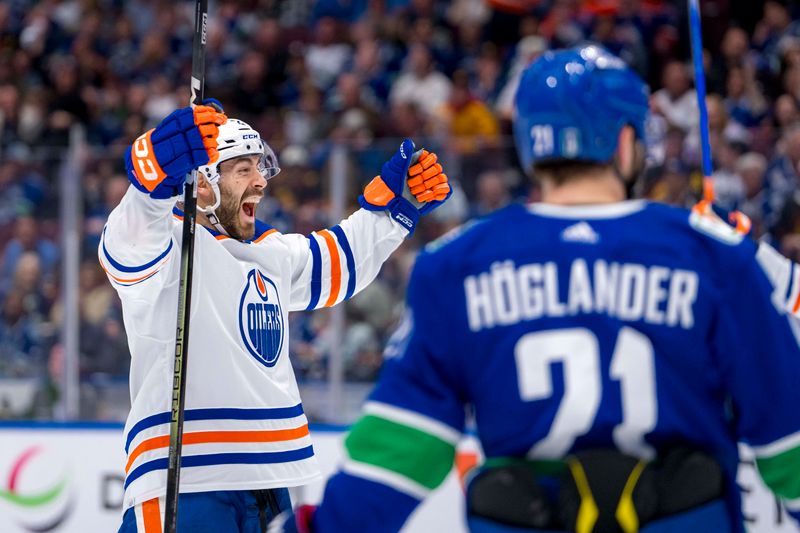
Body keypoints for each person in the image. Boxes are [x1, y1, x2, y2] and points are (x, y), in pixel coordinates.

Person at [270, 46, 800, 533]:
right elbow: (788, 447)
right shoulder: (713, 255)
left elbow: (397, 457)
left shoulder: (457, 264)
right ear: (625, 140)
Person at [102, 101, 451, 532]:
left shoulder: (270, 251)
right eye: (242, 169)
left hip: (269, 483)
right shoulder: (169, 245)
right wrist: (152, 171)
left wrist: (391, 210)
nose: (260, 181)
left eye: (260, 166)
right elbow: (127, 244)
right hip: (185, 481)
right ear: (205, 185)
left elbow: (337, 264)